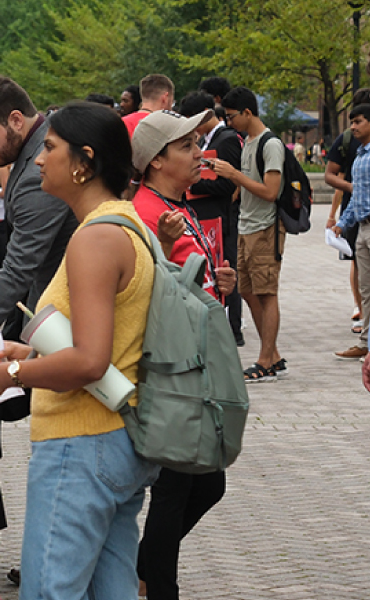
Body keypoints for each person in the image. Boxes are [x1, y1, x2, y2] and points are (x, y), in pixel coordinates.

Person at [0, 101, 160, 600]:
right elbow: (103, 346)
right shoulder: (124, 226)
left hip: (81, 444)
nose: (37, 160)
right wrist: (21, 351)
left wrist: (7, 374)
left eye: (49, 148)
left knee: (50, 591)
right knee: (111, 589)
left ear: (83, 161)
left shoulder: (95, 240)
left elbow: (90, 361)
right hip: (114, 439)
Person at [0, 75, 78, 573]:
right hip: (54, 324)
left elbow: (19, 269)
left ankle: (55, 562)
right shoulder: (29, 164)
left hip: (67, 327)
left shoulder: (34, 174)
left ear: (16, 120)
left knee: (62, 452)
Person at [130, 110, 237, 600]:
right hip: (175, 374)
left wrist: (219, 283)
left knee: (205, 485)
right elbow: (145, 291)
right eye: (188, 147)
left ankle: (143, 567)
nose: (200, 155)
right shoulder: (147, 215)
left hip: (198, 365)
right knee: (178, 488)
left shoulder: (178, 204)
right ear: (155, 162)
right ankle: (156, 582)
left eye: (198, 144)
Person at [211, 86, 288, 380]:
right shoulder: (248, 142)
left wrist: (234, 175)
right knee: (245, 290)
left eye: (231, 117)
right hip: (246, 225)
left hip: (265, 227)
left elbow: (270, 191)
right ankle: (274, 354)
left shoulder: (271, 144)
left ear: (247, 112)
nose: (229, 123)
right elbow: (242, 189)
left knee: (266, 292)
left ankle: (266, 359)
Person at [180, 90, 245, 346]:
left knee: (227, 273)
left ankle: (234, 329)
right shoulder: (207, 140)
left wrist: (194, 186)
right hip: (203, 217)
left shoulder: (226, 139)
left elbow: (229, 185)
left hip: (220, 218)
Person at [326, 88, 370, 337]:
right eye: (351, 122)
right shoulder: (360, 156)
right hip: (362, 226)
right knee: (365, 286)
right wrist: (341, 221)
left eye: (357, 122)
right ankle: (365, 342)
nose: (352, 127)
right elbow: (357, 196)